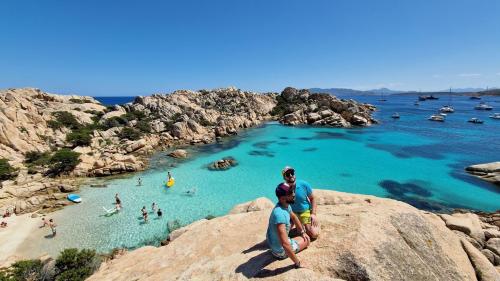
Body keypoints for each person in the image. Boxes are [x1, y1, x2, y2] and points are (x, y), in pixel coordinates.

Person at [266, 182, 310, 268]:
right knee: (307, 241)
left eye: (293, 191)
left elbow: (294, 217)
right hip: (279, 251)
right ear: (282, 198)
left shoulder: (285, 205)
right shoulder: (280, 215)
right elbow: (285, 244)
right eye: (290, 193)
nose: (294, 194)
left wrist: (302, 232)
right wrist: (298, 263)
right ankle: (282, 255)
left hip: (273, 243)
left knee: (303, 236)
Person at [282, 166, 320, 240]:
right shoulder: (283, 189)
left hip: (304, 211)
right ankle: (300, 225)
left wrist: (313, 214)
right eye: (287, 174)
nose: (290, 175)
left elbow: (313, 198)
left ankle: (309, 225)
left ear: (294, 174)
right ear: (284, 177)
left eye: (292, 173)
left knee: (313, 234)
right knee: (283, 234)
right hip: (292, 214)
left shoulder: (304, 184)